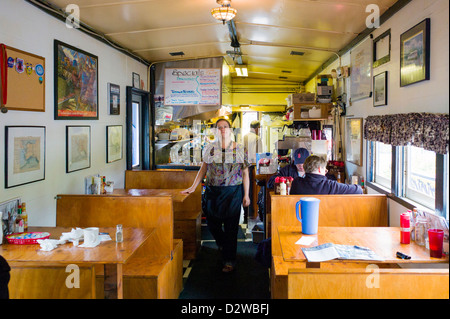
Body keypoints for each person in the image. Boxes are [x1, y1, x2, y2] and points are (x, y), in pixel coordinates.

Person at [182, 118, 251, 273]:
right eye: (219, 127)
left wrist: (246, 195)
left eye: (225, 127)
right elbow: (203, 169)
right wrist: (193, 187)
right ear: (215, 131)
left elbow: (245, 173)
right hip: (213, 191)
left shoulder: (240, 149)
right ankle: (223, 244)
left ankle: (229, 261)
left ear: (230, 130)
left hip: (233, 192)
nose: (222, 130)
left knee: (231, 227)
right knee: (212, 222)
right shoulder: (210, 148)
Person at [290, 154, 363, 195]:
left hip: (301, 219)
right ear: (319, 169)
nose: (326, 171)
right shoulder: (331, 185)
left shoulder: (296, 183)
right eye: (324, 169)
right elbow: (358, 190)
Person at [242, 120, 263, 224]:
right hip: (254, 167)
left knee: (246, 189)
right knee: (252, 190)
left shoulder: (245, 136)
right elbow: (260, 155)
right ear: (257, 128)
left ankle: (246, 214)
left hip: (245, 166)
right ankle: (253, 212)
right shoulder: (257, 138)